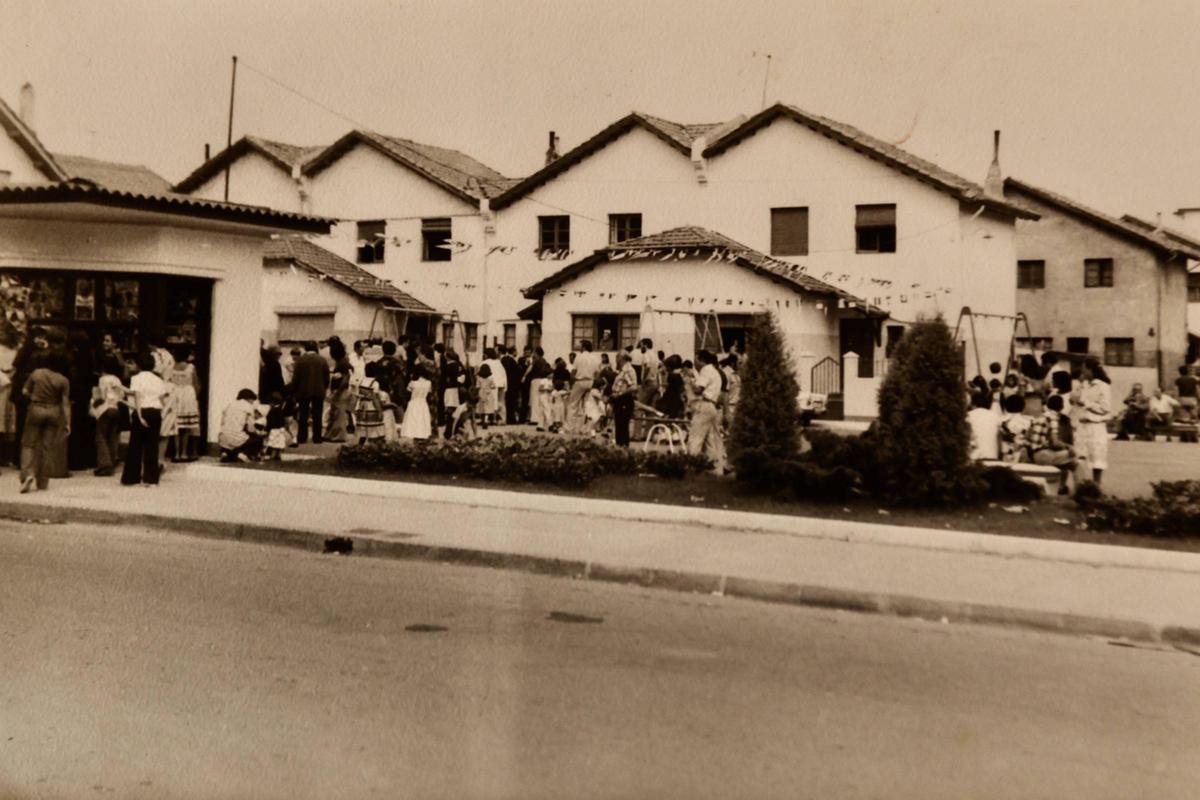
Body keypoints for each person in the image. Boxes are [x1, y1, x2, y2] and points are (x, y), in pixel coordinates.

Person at [18, 349, 70, 493]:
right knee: (47, 447)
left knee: (28, 444)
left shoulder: (36, 373)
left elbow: (24, 391)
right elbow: (65, 403)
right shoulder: (63, 380)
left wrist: (33, 397)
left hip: (36, 408)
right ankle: (43, 482)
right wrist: (68, 422)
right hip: (54, 411)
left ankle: (27, 475)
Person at [121, 353, 167, 486]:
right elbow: (162, 398)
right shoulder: (158, 380)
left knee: (135, 445)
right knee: (152, 446)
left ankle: (131, 477)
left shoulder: (136, 378)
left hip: (142, 410)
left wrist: (139, 415)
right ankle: (151, 478)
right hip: (155, 411)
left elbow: (138, 396)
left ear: (139, 365)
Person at [1024, 392, 1077, 495]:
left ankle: (1061, 489)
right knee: (1075, 460)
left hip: (1034, 453)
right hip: (1041, 455)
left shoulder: (1040, 416)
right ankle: (1081, 493)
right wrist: (1068, 446)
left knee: (1067, 461)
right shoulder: (1053, 418)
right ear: (1061, 407)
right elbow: (1055, 442)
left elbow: (1029, 436)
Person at [1074, 358, 1112, 486]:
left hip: (1096, 427)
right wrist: (1079, 388)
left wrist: (1086, 403)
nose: (1082, 371)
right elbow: (1075, 400)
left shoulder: (1103, 386)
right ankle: (1081, 487)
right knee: (1079, 457)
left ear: (1091, 370)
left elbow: (1105, 408)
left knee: (1097, 459)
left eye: (1084, 368)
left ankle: (1096, 487)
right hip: (1082, 426)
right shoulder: (1083, 385)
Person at [688, 349, 725, 474]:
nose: (695, 362)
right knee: (711, 439)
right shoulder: (715, 372)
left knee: (695, 438)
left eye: (696, 359)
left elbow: (698, 389)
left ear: (701, 360)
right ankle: (713, 468)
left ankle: (691, 466)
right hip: (712, 406)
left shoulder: (706, 371)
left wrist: (690, 382)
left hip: (704, 405)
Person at [91, 355, 125, 477]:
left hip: (105, 408)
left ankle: (104, 465)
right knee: (113, 436)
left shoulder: (103, 379)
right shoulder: (117, 379)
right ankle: (112, 460)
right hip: (116, 407)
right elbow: (121, 395)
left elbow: (100, 396)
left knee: (101, 436)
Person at [291, 341, 329, 444]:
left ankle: (302, 437)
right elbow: (326, 377)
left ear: (306, 349)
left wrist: (294, 389)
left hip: (303, 390)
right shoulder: (322, 360)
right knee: (317, 414)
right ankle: (317, 437)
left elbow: (296, 377)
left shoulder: (300, 360)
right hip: (318, 389)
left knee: (303, 414)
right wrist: (324, 387)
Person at [169, 347, 202, 461]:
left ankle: (176, 454)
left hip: (176, 394)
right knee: (187, 427)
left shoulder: (171, 368)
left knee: (176, 426)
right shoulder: (191, 367)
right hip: (188, 394)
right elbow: (196, 384)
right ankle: (184, 453)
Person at [217, 389, 263, 462]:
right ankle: (243, 454)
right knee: (258, 439)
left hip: (222, 437)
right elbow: (250, 428)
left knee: (229, 435)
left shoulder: (230, 404)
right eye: (252, 401)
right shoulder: (248, 407)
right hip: (237, 438)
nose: (253, 403)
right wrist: (257, 433)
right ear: (249, 399)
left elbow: (222, 422)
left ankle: (225, 453)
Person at [567, 340, 600, 433]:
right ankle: (587, 429)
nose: (579, 348)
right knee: (588, 406)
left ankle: (571, 428)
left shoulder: (579, 357)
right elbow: (597, 373)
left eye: (580, 346)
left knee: (573, 405)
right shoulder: (594, 358)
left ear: (584, 347)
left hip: (580, 381)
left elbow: (573, 372)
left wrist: (571, 382)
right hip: (590, 381)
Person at [324, 338, 353, 442]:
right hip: (340, 390)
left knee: (338, 413)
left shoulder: (342, 364)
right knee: (335, 413)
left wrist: (338, 391)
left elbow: (345, 379)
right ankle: (332, 433)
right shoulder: (343, 362)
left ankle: (338, 435)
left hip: (341, 391)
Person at [353, 362, 387, 445]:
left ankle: (359, 448)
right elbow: (375, 399)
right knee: (373, 430)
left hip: (362, 406)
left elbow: (356, 394)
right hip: (371, 407)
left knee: (363, 430)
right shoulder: (375, 383)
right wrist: (379, 411)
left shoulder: (361, 381)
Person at [609, 353, 638, 446]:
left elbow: (633, 387)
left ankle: (623, 447)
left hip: (624, 400)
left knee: (623, 426)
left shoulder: (628, 370)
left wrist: (620, 394)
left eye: (617, 358)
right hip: (619, 400)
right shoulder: (622, 370)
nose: (615, 361)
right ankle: (620, 447)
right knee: (619, 426)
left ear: (621, 359)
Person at [400, 365, 433, 439]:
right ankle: (422, 436)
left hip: (413, 403)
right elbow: (429, 395)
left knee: (413, 422)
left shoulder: (413, 383)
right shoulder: (428, 383)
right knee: (422, 421)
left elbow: (407, 394)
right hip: (423, 403)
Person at [525, 347, 554, 431]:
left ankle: (534, 419)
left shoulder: (536, 360)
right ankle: (541, 422)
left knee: (534, 399)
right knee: (541, 401)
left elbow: (530, 368)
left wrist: (524, 376)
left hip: (536, 380)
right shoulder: (544, 361)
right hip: (543, 380)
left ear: (536, 353)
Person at [966, 389, 1000, 460]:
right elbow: (998, 437)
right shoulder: (995, 416)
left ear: (973, 404)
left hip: (974, 456)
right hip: (992, 455)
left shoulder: (968, 416)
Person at [999, 393, 1031, 463]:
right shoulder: (1027, 421)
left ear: (1006, 406)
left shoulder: (1001, 420)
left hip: (1004, 453)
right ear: (1023, 407)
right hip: (1020, 452)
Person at [482, 348, 507, 424]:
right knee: (500, 402)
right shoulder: (498, 363)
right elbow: (503, 374)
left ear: (486, 355)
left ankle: (490, 419)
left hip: (490, 384)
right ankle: (501, 419)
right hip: (500, 384)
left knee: (490, 402)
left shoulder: (485, 362)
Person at [264, 393, 290, 460]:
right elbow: (283, 421)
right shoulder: (280, 410)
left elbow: (270, 422)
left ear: (272, 402)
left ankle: (271, 456)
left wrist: (267, 429)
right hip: (281, 429)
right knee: (279, 443)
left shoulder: (272, 411)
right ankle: (278, 455)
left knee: (272, 444)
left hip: (274, 430)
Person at [502, 346, 522, 425]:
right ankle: (511, 419)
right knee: (512, 401)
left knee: (509, 401)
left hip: (508, 383)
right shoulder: (511, 360)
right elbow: (516, 372)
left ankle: (509, 418)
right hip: (512, 384)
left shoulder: (505, 359)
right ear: (513, 351)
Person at [476, 363, 497, 427]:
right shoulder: (490, 378)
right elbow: (494, 386)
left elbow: (477, 386)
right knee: (488, 408)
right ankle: (487, 420)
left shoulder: (479, 378)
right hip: (488, 393)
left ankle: (482, 420)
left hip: (481, 393)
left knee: (482, 408)